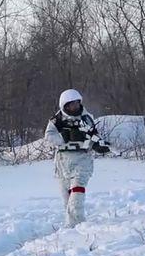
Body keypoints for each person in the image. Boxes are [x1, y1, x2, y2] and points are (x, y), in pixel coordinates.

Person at [44, 89, 110, 228]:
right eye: (71, 104)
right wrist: (62, 138)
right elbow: (48, 137)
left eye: (76, 103)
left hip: (82, 159)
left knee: (76, 195)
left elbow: (94, 136)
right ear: (64, 106)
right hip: (63, 161)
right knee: (67, 199)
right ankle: (72, 225)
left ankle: (77, 226)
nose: (74, 107)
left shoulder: (86, 118)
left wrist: (98, 146)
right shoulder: (57, 120)